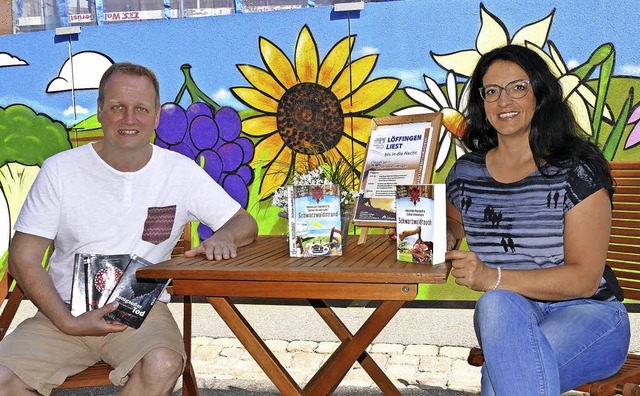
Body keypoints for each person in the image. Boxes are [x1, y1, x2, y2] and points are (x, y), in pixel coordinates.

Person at [0, 62, 258, 396]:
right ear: (100, 110)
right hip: (61, 315)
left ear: (156, 118)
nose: (129, 119)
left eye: (141, 109)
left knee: (163, 363)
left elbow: (244, 223)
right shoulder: (60, 171)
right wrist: (68, 321)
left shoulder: (179, 171)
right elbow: (23, 258)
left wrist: (223, 235)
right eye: (118, 107)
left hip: (141, 314)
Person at [444, 45, 630, 395]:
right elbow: (454, 224)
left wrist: (491, 276)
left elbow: (585, 280)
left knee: (503, 375)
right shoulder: (466, 173)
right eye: (492, 91)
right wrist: (445, 235)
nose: (504, 101)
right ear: (482, 103)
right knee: (496, 301)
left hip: (590, 315)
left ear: (539, 94)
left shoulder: (575, 171)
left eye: (518, 87)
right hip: (510, 314)